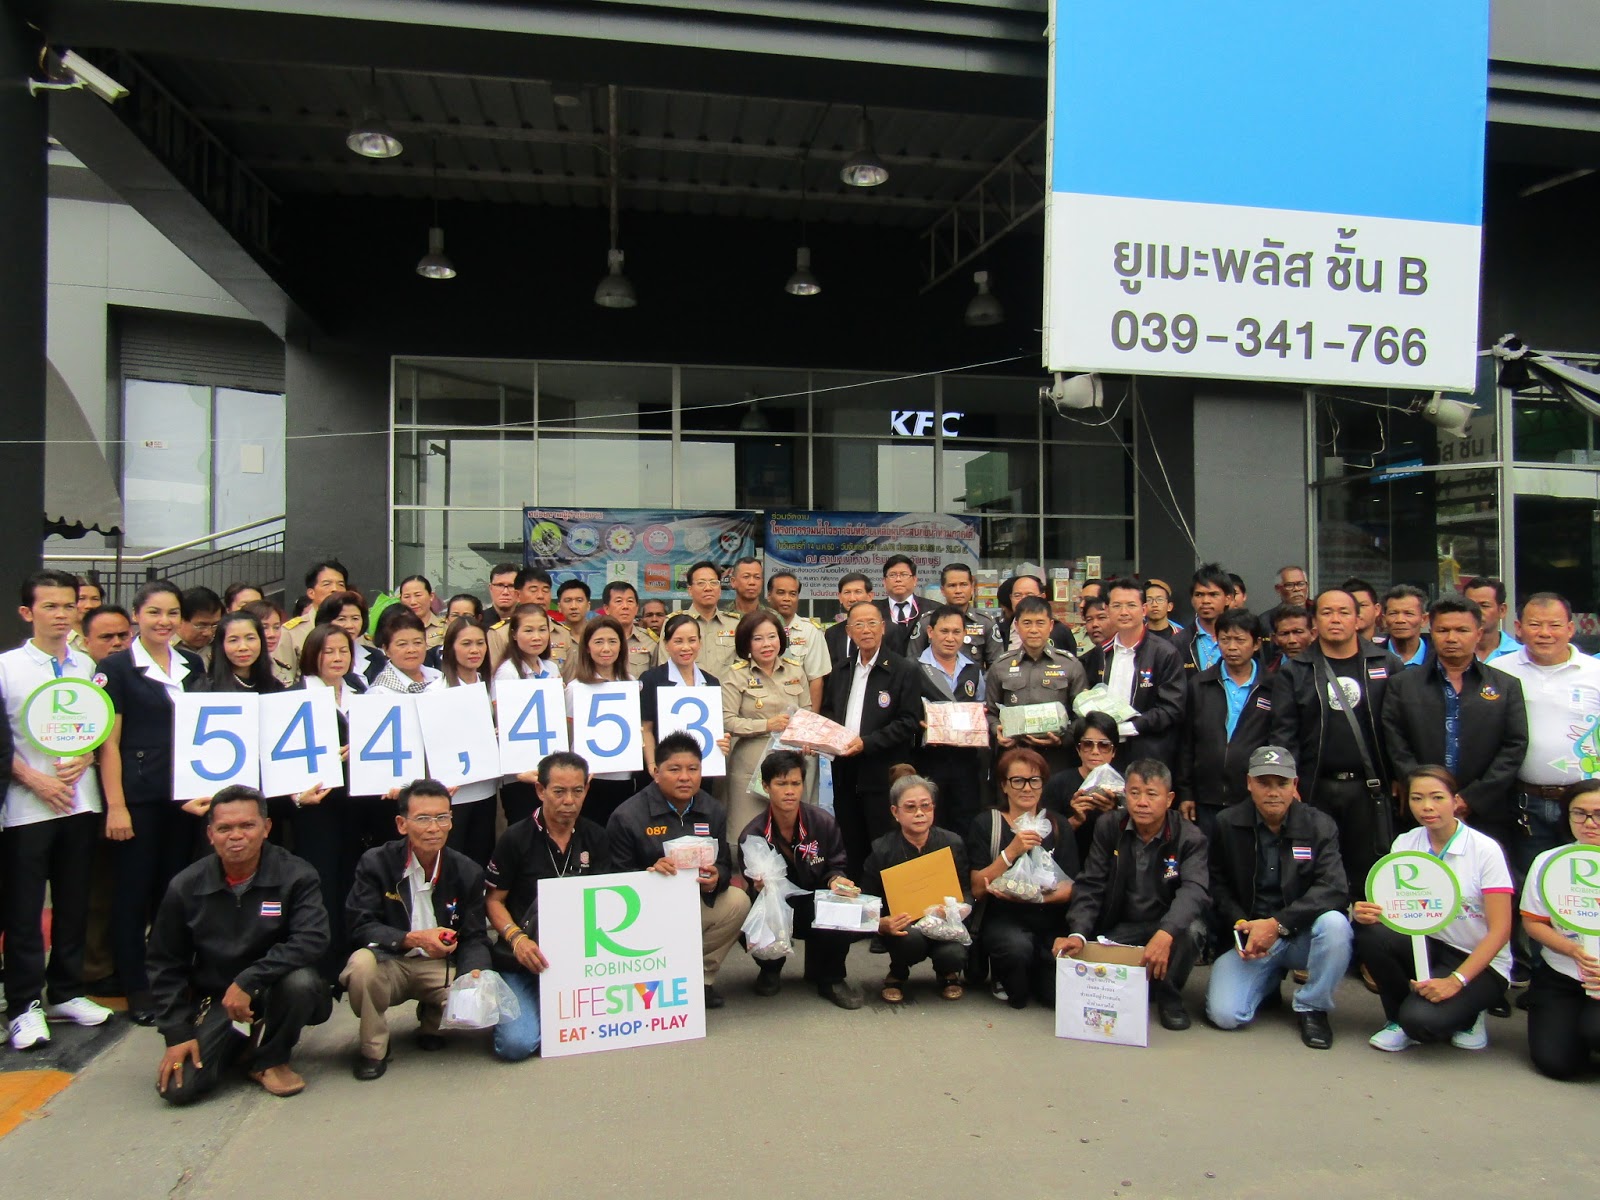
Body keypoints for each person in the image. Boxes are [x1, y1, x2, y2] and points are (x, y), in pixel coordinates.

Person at [148, 786, 332, 1103]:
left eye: (247, 826)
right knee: (179, 1090)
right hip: (218, 996)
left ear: (266, 828)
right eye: (224, 828)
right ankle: (243, 1038)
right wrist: (176, 1033)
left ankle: (271, 1059)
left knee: (301, 982)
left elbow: (312, 939)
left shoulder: (297, 875)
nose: (236, 836)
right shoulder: (185, 885)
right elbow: (164, 963)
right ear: (210, 834)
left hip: (277, 986)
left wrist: (249, 980)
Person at [2, 572, 113, 1050]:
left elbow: (97, 725)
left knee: (73, 902)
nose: (62, 614)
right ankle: (24, 1005)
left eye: (69, 606)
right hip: (27, 807)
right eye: (50, 606)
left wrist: (87, 755)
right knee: (24, 910)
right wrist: (35, 779)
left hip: (80, 802)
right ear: (27, 613)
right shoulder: (7, 668)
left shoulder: (86, 665)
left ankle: (66, 990)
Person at [98, 580, 207, 1024]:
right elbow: (109, 744)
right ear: (136, 616)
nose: (164, 621)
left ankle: (169, 982)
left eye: (172, 613)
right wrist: (116, 805)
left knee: (173, 894)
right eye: (155, 613)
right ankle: (137, 988)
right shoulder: (116, 668)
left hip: (184, 799)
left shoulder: (191, 663)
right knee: (133, 894)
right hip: (139, 798)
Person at [1353, 766, 1513, 1052]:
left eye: (1437, 797)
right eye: (1417, 798)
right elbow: (1394, 907)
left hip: (1480, 960)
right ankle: (1397, 1019)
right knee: (1371, 933)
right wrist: (1368, 912)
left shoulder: (1485, 850)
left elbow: (1501, 930)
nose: (1426, 806)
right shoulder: (1406, 842)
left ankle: (1471, 1014)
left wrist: (1456, 981)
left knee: (1422, 1022)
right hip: (1428, 946)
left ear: (1456, 800)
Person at [1202, 746, 1352, 1049]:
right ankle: (1268, 982)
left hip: (1302, 934)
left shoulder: (1319, 825)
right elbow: (1216, 883)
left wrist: (1278, 924)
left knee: (1336, 925)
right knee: (1225, 1015)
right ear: (1249, 783)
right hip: (1253, 938)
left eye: (1281, 783)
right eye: (1264, 783)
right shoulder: (1227, 823)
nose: (1273, 792)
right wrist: (1240, 923)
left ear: (1294, 785)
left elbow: (1334, 888)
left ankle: (1312, 1007)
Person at [341, 779, 491, 1080]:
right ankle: (373, 1049)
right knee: (360, 966)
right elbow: (359, 925)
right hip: (390, 962)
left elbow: (475, 935)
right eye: (423, 819)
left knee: (480, 989)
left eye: (442, 817)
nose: (434, 828)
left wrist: (474, 973)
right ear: (402, 824)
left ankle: (432, 1022)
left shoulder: (467, 871)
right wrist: (412, 939)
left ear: (451, 821)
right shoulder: (376, 863)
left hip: (438, 964)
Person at [1494, 590, 1600, 987]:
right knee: (1533, 888)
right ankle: (1545, 979)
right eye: (1535, 624)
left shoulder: (1594, 672)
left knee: (1584, 886)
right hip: (1527, 800)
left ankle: (1588, 970)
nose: (1545, 633)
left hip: (1587, 804)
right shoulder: (1500, 670)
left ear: (1571, 628)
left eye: (1554, 625)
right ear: (1518, 628)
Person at [1057, 759, 1210, 1030]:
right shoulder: (1109, 826)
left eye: (1151, 794)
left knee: (1193, 930)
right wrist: (1078, 932)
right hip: (1123, 925)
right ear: (1124, 794)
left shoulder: (1189, 837)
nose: (1142, 802)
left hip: (1166, 923)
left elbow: (1194, 890)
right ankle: (1136, 988)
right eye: (1135, 793)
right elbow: (1091, 882)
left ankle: (1169, 997)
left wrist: (1166, 933)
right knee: (1084, 980)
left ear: (1169, 799)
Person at [605, 732, 752, 1008]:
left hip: (694, 902)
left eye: (693, 769)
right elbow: (613, 880)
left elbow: (723, 863)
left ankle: (701, 979)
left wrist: (717, 878)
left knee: (738, 901)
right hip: (644, 911)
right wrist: (649, 874)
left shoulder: (713, 810)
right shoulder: (627, 816)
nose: (685, 777)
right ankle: (654, 972)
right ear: (656, 773)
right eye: (674, 770)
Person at [1270, 588, 1402, 893]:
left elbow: (1398, 727)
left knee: (1370, 875)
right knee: (1318, 872)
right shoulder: (1295, 671)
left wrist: (1400, 775)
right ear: (1315, 622)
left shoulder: (1386, 663)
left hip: (1371, 788)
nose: (1336, 619)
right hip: (1316, 787)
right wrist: (1288, 781)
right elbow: (1283, 733)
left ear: (1358, 619)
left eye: (1344, 612)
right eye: (1327, 612)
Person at [483, 751, 611, 1062]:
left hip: (581, 961)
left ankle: (549, 1010)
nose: (569, 801)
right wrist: (517, 939)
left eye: (577, 791)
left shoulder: (596, 836)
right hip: (524, 959)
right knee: (516, 1044)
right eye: (559, 791)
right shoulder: (515, 838)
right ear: (540, 790)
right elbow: (493, 901)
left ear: (586, 790)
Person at [1381, 594, 1528, 853]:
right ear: (1431, 632)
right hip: (1422, 810)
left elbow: (1514, 745)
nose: (1451, 638)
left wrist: (1471, 798)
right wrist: (1429, 794)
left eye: (1462, 630)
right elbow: (1395, 743)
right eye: (1443, 630)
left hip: (1487, 811)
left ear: (1478, 634)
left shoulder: (1505, 685)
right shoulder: (1403, 684)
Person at [738, 750, 866, 1009]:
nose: (789, 791)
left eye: (796, 783)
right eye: (781, 783)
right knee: (743, 909)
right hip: (776, 906)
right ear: (766, 786)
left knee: (843, 905)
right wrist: (758, 886)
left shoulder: (823, 823)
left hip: (813, 904)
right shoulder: (752, 834)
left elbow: (837, 864)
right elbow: (749, 881)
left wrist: (836, 880)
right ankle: (770, 968)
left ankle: (832, 978)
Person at [967, 749, 1077, 1009]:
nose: (1027, 788)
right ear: (1004, 785)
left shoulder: (1058, 825)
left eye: (1034, 780)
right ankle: (1005, 971)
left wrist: (1035, 896)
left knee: (1054, 998)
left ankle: (1037, 971)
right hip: (1004, 919)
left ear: (1043, 784)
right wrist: (1011, 851)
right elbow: (977, 887)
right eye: (1017, 781)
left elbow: (1072, 887)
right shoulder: (987, 823)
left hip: (1050, 920)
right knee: (1019, 993)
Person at [820, 601, 926, 869]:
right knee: (850, 843)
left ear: (883, 627)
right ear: (848, 631)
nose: (866, 630)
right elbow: (829, 711)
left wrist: (866, 743)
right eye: (858, 624)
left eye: (871, 623)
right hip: (845, 773)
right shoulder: (841, 670)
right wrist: (821, 738)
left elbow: (909, 721)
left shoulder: (904, 669)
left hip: (882, 773)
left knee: (884, 845)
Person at [292, 624, 368, 978]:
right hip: (316, 805)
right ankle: (322, 961)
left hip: (356, 803)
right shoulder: (296, 695)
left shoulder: (360, 691)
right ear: (313, 655)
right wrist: (297, 796)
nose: (338, 658)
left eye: (344, 651)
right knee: (321, 880)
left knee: (353, 876)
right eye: (329, 652)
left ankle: (350, 955)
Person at [861, 771, 971, 1003]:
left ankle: (947, 972)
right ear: (895, 812)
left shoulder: (952, 843)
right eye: (910, 807)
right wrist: (881, 923)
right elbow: (867, 901)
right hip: (905, 928)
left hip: (945, 923)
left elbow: (967, 891)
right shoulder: (882, 850)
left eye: (925, 806)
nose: (920, 813)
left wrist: (958, 910)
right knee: (909, 939)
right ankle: (898, 971)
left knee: (953, 953)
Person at [1519, 779, 1600, 1079]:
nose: (1589, 823)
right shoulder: (1549, 861)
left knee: (1596, 1030)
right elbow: (1533, 923)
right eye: (1579, 813)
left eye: (1598, 814)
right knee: (1556, 1063)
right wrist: (1573, 950)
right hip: (1562, 974)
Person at [1177, 607, 1274, 844]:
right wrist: (1185, 792)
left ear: (1256, 644)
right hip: (1206, 796)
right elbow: (1186, 742)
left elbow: (1278, 740)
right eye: (1225, 639)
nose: (1231, 647)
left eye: (1240, 640)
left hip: (1251, 795)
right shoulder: (1200, 684)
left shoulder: (1272, 687)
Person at [193, 611, 289, 841]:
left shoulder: (275, 688)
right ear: (221, 646)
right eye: (233, 640)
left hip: (267, 798)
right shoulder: (206, 689)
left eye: (250, 638)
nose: (243, 647)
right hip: (221, 799)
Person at [1078, 578, 1186, 769]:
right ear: (1107, 609)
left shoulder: (1164, 653)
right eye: (1117, 606)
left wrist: (1131, 727)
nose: (1124, 612)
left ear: (1144, 610)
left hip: (1148, 752)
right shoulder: (1100, 653)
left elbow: (1172, 708)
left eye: (1131, 605)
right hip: (1104, 751)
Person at [722, 611, 812, 837]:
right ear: (747, 643)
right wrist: (766, 725)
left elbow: (807, 714)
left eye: (772, 637)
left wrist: (808, 740)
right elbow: (727, 721)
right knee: (745, 833)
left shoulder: (795, 670)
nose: (766, 644)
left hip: (790, 763)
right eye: (758, 638)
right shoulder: (736, 675)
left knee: (790, 833)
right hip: (750, 765)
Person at [985, 595, 1088, 781]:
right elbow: (990, 711)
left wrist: (1064, 738)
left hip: (1057, 757)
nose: (1033, 630)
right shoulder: (1001, 666)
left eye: (1040, 623)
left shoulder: (1070, 665)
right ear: (1017, 626)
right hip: (1014, 755)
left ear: (1051, 625)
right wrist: (996, 730)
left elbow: (1082, 715)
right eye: (1027, 623)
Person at [912, 603, 987, 835]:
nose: (950, 638)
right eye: (944, 631)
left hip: (966, 761)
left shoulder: (973, 670)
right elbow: (904, 712)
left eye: (956, 632)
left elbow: (982, 706)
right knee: (932, 823)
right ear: (930, 632)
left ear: (964, 634)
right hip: (928, 760)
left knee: (966, 822)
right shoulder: (913, 668)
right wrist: (919, 724)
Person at [493, 603, 564, 827]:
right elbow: (504, 724)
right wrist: (518, 772)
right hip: (520, 773)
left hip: (549, 767)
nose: (537, 637)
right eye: (528, 630)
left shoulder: (551, 668)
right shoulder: (508, 672)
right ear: (514, 634)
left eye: (542, 630)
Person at [437, 615, 499, 866]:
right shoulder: (438, 691)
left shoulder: (488, 686)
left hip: (486, 788)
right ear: (451, 648)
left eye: (480, 643)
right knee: (453, 863)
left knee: (480, 860)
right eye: (466, 644)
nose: (475, 650)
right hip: (454, 793)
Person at [566, 616, 637, 825]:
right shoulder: (575, 688)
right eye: (598, 642)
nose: (606, 648)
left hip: (624, 776)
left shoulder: (632, 684)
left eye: (612, 641)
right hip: (589, 778)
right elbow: (569, 734)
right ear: (587, 648)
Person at [639, 613, 725, 777]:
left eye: (692, 640)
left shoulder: (711, 682)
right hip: (663, 772)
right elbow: (646, 729)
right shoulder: (652, 679)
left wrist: (722, 742)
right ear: (666, 644)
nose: (686, 647)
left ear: (700, 642)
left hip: (703, 770)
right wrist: (652, 765)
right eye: (678, 641)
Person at [1041, 712, 1123, 859]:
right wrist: (1075, 820)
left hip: (1113, 865)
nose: (1095, 751)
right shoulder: (1057, 783)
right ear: (1078, 749)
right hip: (1069, 864)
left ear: (1114, 751)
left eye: (1104, 745)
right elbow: (1044, 840)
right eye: (1087, 744)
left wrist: (1113, 815)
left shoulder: (1126, 786)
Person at [906, 563, 1003, 673]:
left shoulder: (985, 622)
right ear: (942, 590)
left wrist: (978, 682)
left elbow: (996, 667)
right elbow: (912, 663)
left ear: (972, 588)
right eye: (952, 585)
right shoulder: (927, 621)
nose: (958, 591)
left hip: (974, 682)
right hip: (934, 682)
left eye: (963, 585)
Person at [655, 560, 741, 679]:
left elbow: (742, 668)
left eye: (713, 583)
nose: (708, 588)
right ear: (690, 590)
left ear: (720, 589)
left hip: (726, 690)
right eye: (701, 583)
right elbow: (666, 668)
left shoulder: (734, 625)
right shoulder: (673, 623)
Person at [273, 559, 351, 681]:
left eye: (341, 584)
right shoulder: (291, 632)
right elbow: (283, 679)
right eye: (327, 584)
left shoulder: (354, 629)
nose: (335, 589)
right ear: (311, 593)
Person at [765, 570, 831, 710]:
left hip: (797, 709)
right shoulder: (756, 628)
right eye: (781, 593)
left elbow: (816, 680)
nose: (787, 598)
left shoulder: (810, 631)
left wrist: (811, 718)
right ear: (769, 595)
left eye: (793, 594)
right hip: (761, 709)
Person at [315, 591, 387, 684]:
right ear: (326, 621)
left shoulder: (376, 657)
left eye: (355, 618)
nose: (350, 625)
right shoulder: (315, 656)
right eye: (341, 619)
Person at [1173, 564, 1234, 674]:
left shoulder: (1242, 639)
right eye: (1199, 595)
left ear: (1228, 599)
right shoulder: (1178, 643)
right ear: (1192, 599)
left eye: (1213, 594)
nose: (1205, 601)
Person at [997, 574, 1077, 657]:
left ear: (1042, 597)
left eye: (1029, 595)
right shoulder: (998, 628)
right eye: (1017, 595)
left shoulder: (1060, 631)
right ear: (1011, 598)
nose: (1023, 600)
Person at [599, 581, 658, 679]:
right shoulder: (595, 639)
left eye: (630, 601)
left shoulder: (649, 641)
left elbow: (657, 678)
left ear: (636, 608)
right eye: (618, 601)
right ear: (606, 609)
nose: (625, 606)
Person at [875, 554, 925, 654]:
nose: (898, 579)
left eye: (904, 574)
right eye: (892, 575)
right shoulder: (873, 610)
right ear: (884, 582)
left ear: (914, 580)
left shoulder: (932, 609)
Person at [1463, 576, 1521, 662]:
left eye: (1484, 606)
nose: (1476, 611)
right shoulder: (1452, 652)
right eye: (1470, 605)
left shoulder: (1520, 655)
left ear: (1502, 610)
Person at [823, 572, 873, 670]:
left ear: (870, 596)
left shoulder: (886, 630)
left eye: (858, 592)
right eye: (847, 592)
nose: (852, 599)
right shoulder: (832, 634)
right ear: (840, 597)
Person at [243, 599, 296, 687]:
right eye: (264, 627)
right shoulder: (239, 671)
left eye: (276, 627)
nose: (272, 634)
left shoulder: (282, 669)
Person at [1381, 585, 1431, 668]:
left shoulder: (1439, 658)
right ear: (1384, 620)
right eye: (1393, 613)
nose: (1400, 620)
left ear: (1424, 619)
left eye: (1409, 614)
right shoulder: (1370, 657)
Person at [176, 586, 224, 668]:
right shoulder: (163, 648)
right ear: (180, 620)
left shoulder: (222, 647)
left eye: (214, 625)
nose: (208, 633)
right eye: (201, 625)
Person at [397, 574, 448, 650]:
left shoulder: (446, 627)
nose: (413, 602)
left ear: (431, 596)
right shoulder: (394, 628)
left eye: (418, 595)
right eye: (407, 597)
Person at [1259, 565, 1311, 640]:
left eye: (1301, 584)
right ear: (1278, 589)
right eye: (1289, 585)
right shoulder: (1266, 621)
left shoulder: (1318, 614)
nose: (1296, 589)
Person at [1266, 604, 1313, 672]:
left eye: (1298, 632)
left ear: (1312, 634)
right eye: (1284, 634)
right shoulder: (1268, 674)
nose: (1292, 640)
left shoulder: (1326, 667)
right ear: (1274, 639)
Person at [72, 578, 104, 654]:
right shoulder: (58, 639)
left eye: (95, 599)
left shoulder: (111, 637)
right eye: (81, 599)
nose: (89, 606)